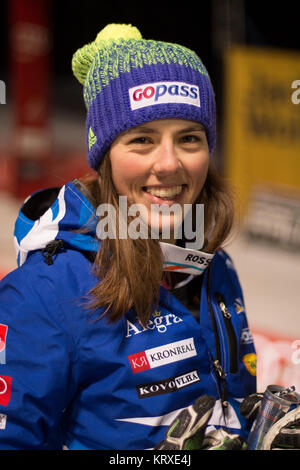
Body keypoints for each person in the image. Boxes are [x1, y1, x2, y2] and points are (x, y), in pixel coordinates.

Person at [0, 23, 257, 450]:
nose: (170, 164)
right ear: (104, 157)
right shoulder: (45, 292)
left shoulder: (213, 264)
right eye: (142, 140)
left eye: (189, 138)